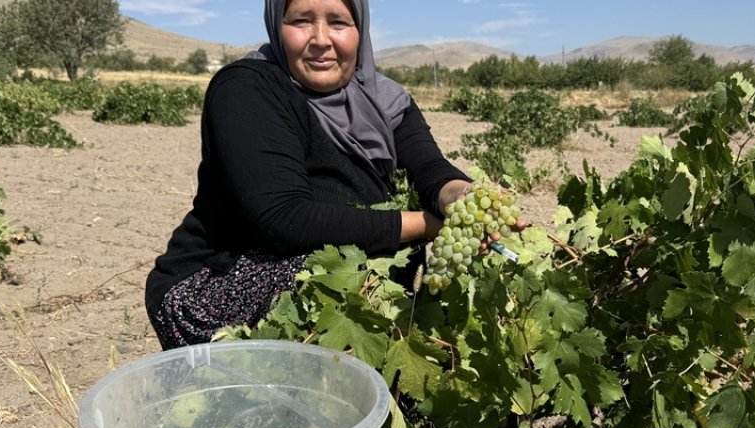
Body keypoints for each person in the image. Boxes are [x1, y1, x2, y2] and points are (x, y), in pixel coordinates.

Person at [146, 0, 508, 350]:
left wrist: (461, 198)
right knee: (319, 272)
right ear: (276, 24)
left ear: (360, 28)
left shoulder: (384, 100)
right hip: (215, 285)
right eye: (301, 21)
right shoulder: (247, 89)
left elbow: (429, 169)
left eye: (338, 22)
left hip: (349, 281)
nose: (320, 39)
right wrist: (432, 225)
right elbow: (285, 218)